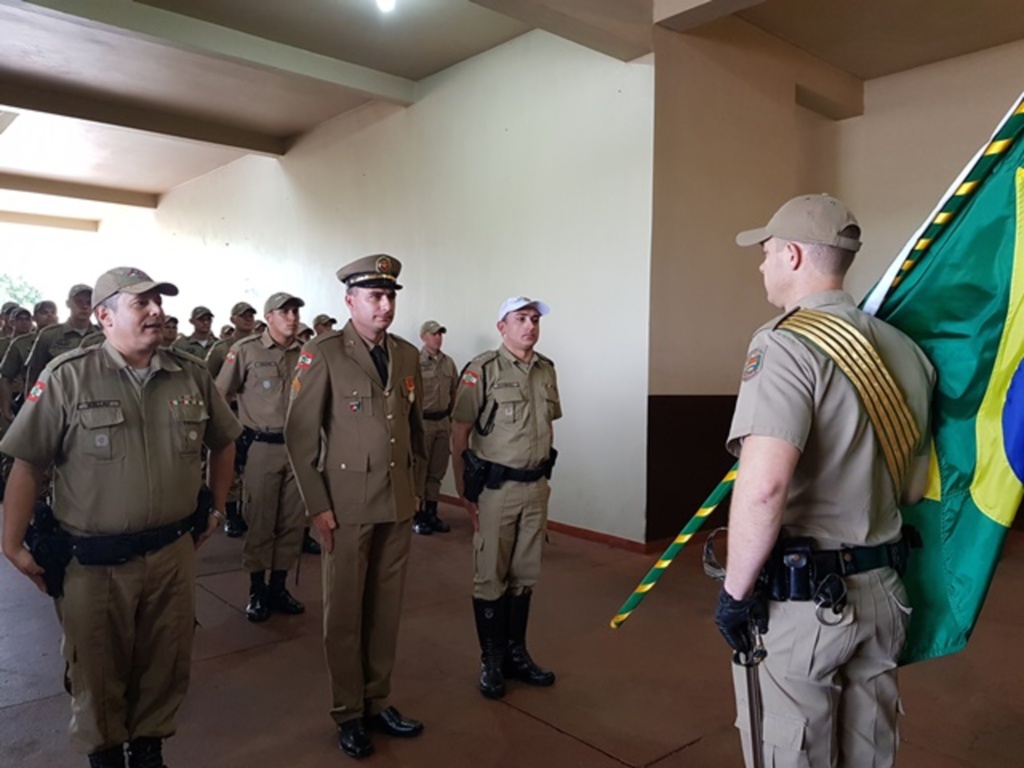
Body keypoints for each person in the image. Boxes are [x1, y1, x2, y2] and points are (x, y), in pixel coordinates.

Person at [715, 194, 935, 768]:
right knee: (870, 754)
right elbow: (912, 489)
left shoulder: (784, 343)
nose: (762, 266)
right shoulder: (905, 351)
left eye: (765, 253)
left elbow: (764, 487)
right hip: (885, 590)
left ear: (790, 255)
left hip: (806, 605)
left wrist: (735, 594)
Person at [0, 266, 240, 768]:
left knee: (165, 660)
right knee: (97, 667)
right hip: (93, 563)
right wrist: (12, 544)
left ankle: (149, 748)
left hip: (173, 554)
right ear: (105, 316)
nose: (156, 311)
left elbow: (224, 442)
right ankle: (106, 755)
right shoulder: (69, 375)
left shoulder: (190, 374)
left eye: (158, 301)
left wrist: (217, 510)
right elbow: (28, 463)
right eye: (141, 303)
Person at [285, 254, 426, 759]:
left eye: (390, 296)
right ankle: (348, 710)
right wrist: (317, 506)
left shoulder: (407, 355)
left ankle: (377, 699)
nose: (385, 305)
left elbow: (413, 432)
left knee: (384, 610)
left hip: (396, 503)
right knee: (344, 612)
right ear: (350, 302)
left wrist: (418, 493)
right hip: (344, 507)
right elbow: (300, 438)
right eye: (374, 296)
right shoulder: (322, 353)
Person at [451, 296, 561, 700]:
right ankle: (492, 660)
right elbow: (460, 432)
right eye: (521, 319)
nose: (530, 326)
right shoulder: (482, 370)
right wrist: (465, 491)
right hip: (496, 491)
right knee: (491, 577)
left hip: (535, 488)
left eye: (534, 319)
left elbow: (548, 427)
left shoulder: (546, 371)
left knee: (524, 577)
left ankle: (517, 655)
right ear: (502, 326)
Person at [216, 292, 308, 622]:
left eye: (296, 311)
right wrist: (233, 437)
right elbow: (220, 395)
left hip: (299, 449)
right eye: (285, 311)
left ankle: (278, 586)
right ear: (268, 316)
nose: (293, 317)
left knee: (291, 522)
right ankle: (256, 589)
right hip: (262, 447)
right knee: (260, 520)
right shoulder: (245, 350)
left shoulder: (307, 354)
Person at [413, 319, 457, 535]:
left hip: (443, 423)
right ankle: (417, 515)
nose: (438, 338)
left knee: (436, 472)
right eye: (433, 334)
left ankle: (432, 512)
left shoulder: (448, 363)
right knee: (419, 472)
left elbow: (455, 393)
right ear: (423, 337)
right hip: (423, 422)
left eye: (440, 334)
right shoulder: (415, 362)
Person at [24, 283, 104, 389]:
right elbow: (34, 378)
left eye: (89, 303)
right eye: (78, 301)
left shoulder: (102, 336)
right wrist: (33, 402)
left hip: (93, 397)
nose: (84, 306)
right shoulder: (49, 335)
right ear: (68, 304)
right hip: (56, 397)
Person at [205, 302, 256, 379]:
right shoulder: (221, 348)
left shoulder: (263, 345)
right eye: (243, 316)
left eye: (250, 316)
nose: (248, 319)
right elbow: (207, 378)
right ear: (232, 320)